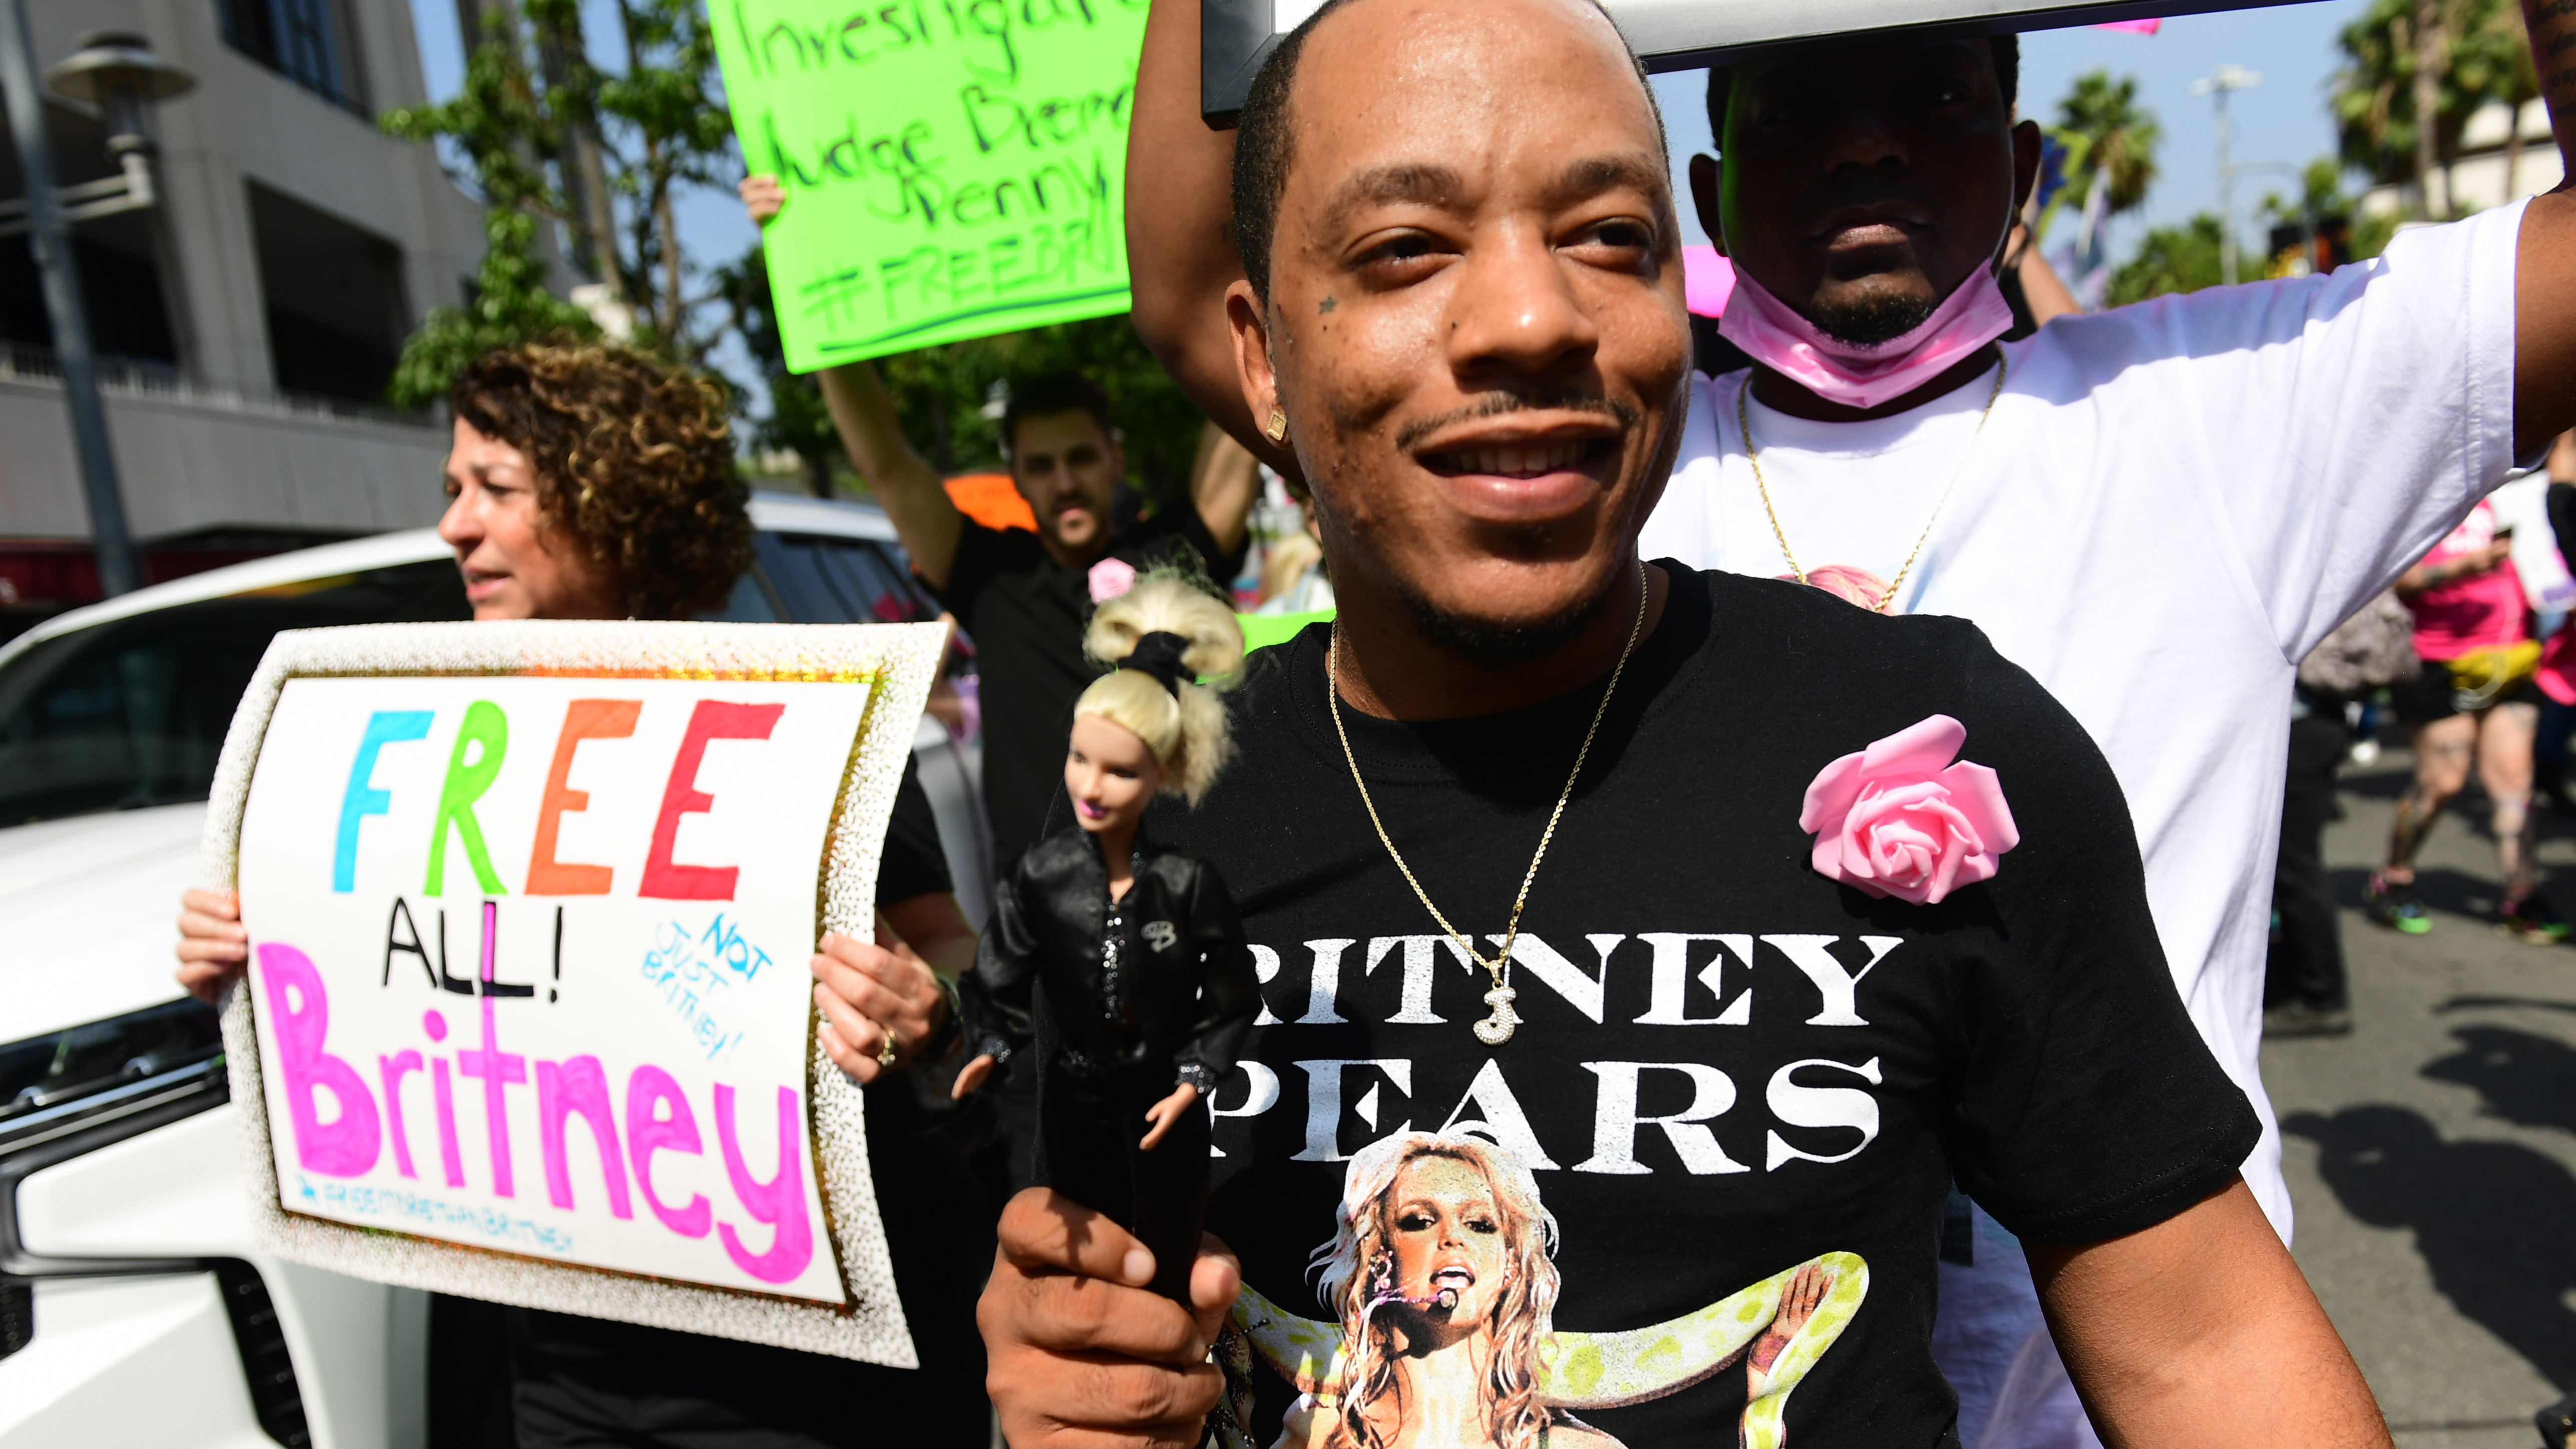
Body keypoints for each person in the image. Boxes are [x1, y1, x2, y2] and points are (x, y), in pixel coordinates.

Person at [841, 2, 2398, 1444]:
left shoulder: (1941, 734)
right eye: (1403, 250)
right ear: (1259, 352)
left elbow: (2204, 1351)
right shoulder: (1148, 825)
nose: (1530, 315)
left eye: (1608, 237)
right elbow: (1082, 1299)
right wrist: (1074, 1386)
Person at [173, 340, 991, 1449]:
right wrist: (252, 950)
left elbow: (954, 957)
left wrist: (915, 1003)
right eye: (453, 491)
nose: (457, 525)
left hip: (806, 1378)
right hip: (568, 1368)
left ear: (620, 504)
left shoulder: (787, 720)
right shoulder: (434, 747)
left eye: (498, 490)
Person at [740, 174, 1260, 875]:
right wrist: (802, 268)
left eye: (1081, 456)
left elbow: (1247, 412)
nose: (1065, 478)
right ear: (1016, 476)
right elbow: (887, 463)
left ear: (1115, 457)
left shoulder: (1177, 549)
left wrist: (1262, 246)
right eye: (1041, 465)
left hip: (1190, 882)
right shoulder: (988, 572)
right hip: (1043, 906)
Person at [954, 574, 1260, 1305]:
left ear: (1161, 774)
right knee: (1080, 1278)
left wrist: (1198, 1076)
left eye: (1120, 770)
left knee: (1168, 1271)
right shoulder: (1043, 873)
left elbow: (1232, 991)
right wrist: (989, 1042)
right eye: (1079, 758)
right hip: (1072, 1102)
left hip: (1164, 1105)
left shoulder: (1187, 883)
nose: (1090, 786)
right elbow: (998, 969)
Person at [2367, 498, 2565, 941]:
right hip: (2437, 665)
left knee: (2514, 781)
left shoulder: (2517, 496)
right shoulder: (2428, 497)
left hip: (2512, 659)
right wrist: (2466, 566)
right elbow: (2396, 583)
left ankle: (2521, 895)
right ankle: (2393, 876)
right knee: (2443, 782)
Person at [2269, 591, 2416, 1038]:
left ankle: (2322, 996)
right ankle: (2299, 978)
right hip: (2317, 723)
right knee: (2287, 867)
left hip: (2303, 727)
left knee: (2295, 867)